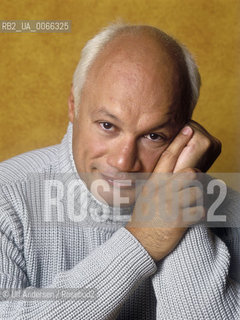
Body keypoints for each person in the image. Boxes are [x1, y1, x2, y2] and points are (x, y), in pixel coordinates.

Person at [0, 22, 239, 319]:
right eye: (108, 126)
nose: (124, 162)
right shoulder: (7, 199)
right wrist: (142, 240)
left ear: (183, 133)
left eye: (154, 136)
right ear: (73, 106)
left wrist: (180, 204)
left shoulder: (230, 213)